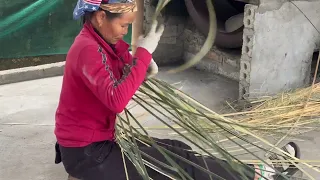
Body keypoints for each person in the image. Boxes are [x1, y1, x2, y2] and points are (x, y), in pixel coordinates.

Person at [54, 0, 301, 179]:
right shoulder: (87, 49)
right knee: (181, 164)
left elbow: (119, 65)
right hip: (88, 154)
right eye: (122, 26)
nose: (125, 31)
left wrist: (137, 63)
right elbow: (116, 99)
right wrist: (143, 54)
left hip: (96, 145)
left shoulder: (99, 41)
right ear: (99, 17)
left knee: (177, 150)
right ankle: (259, 174)